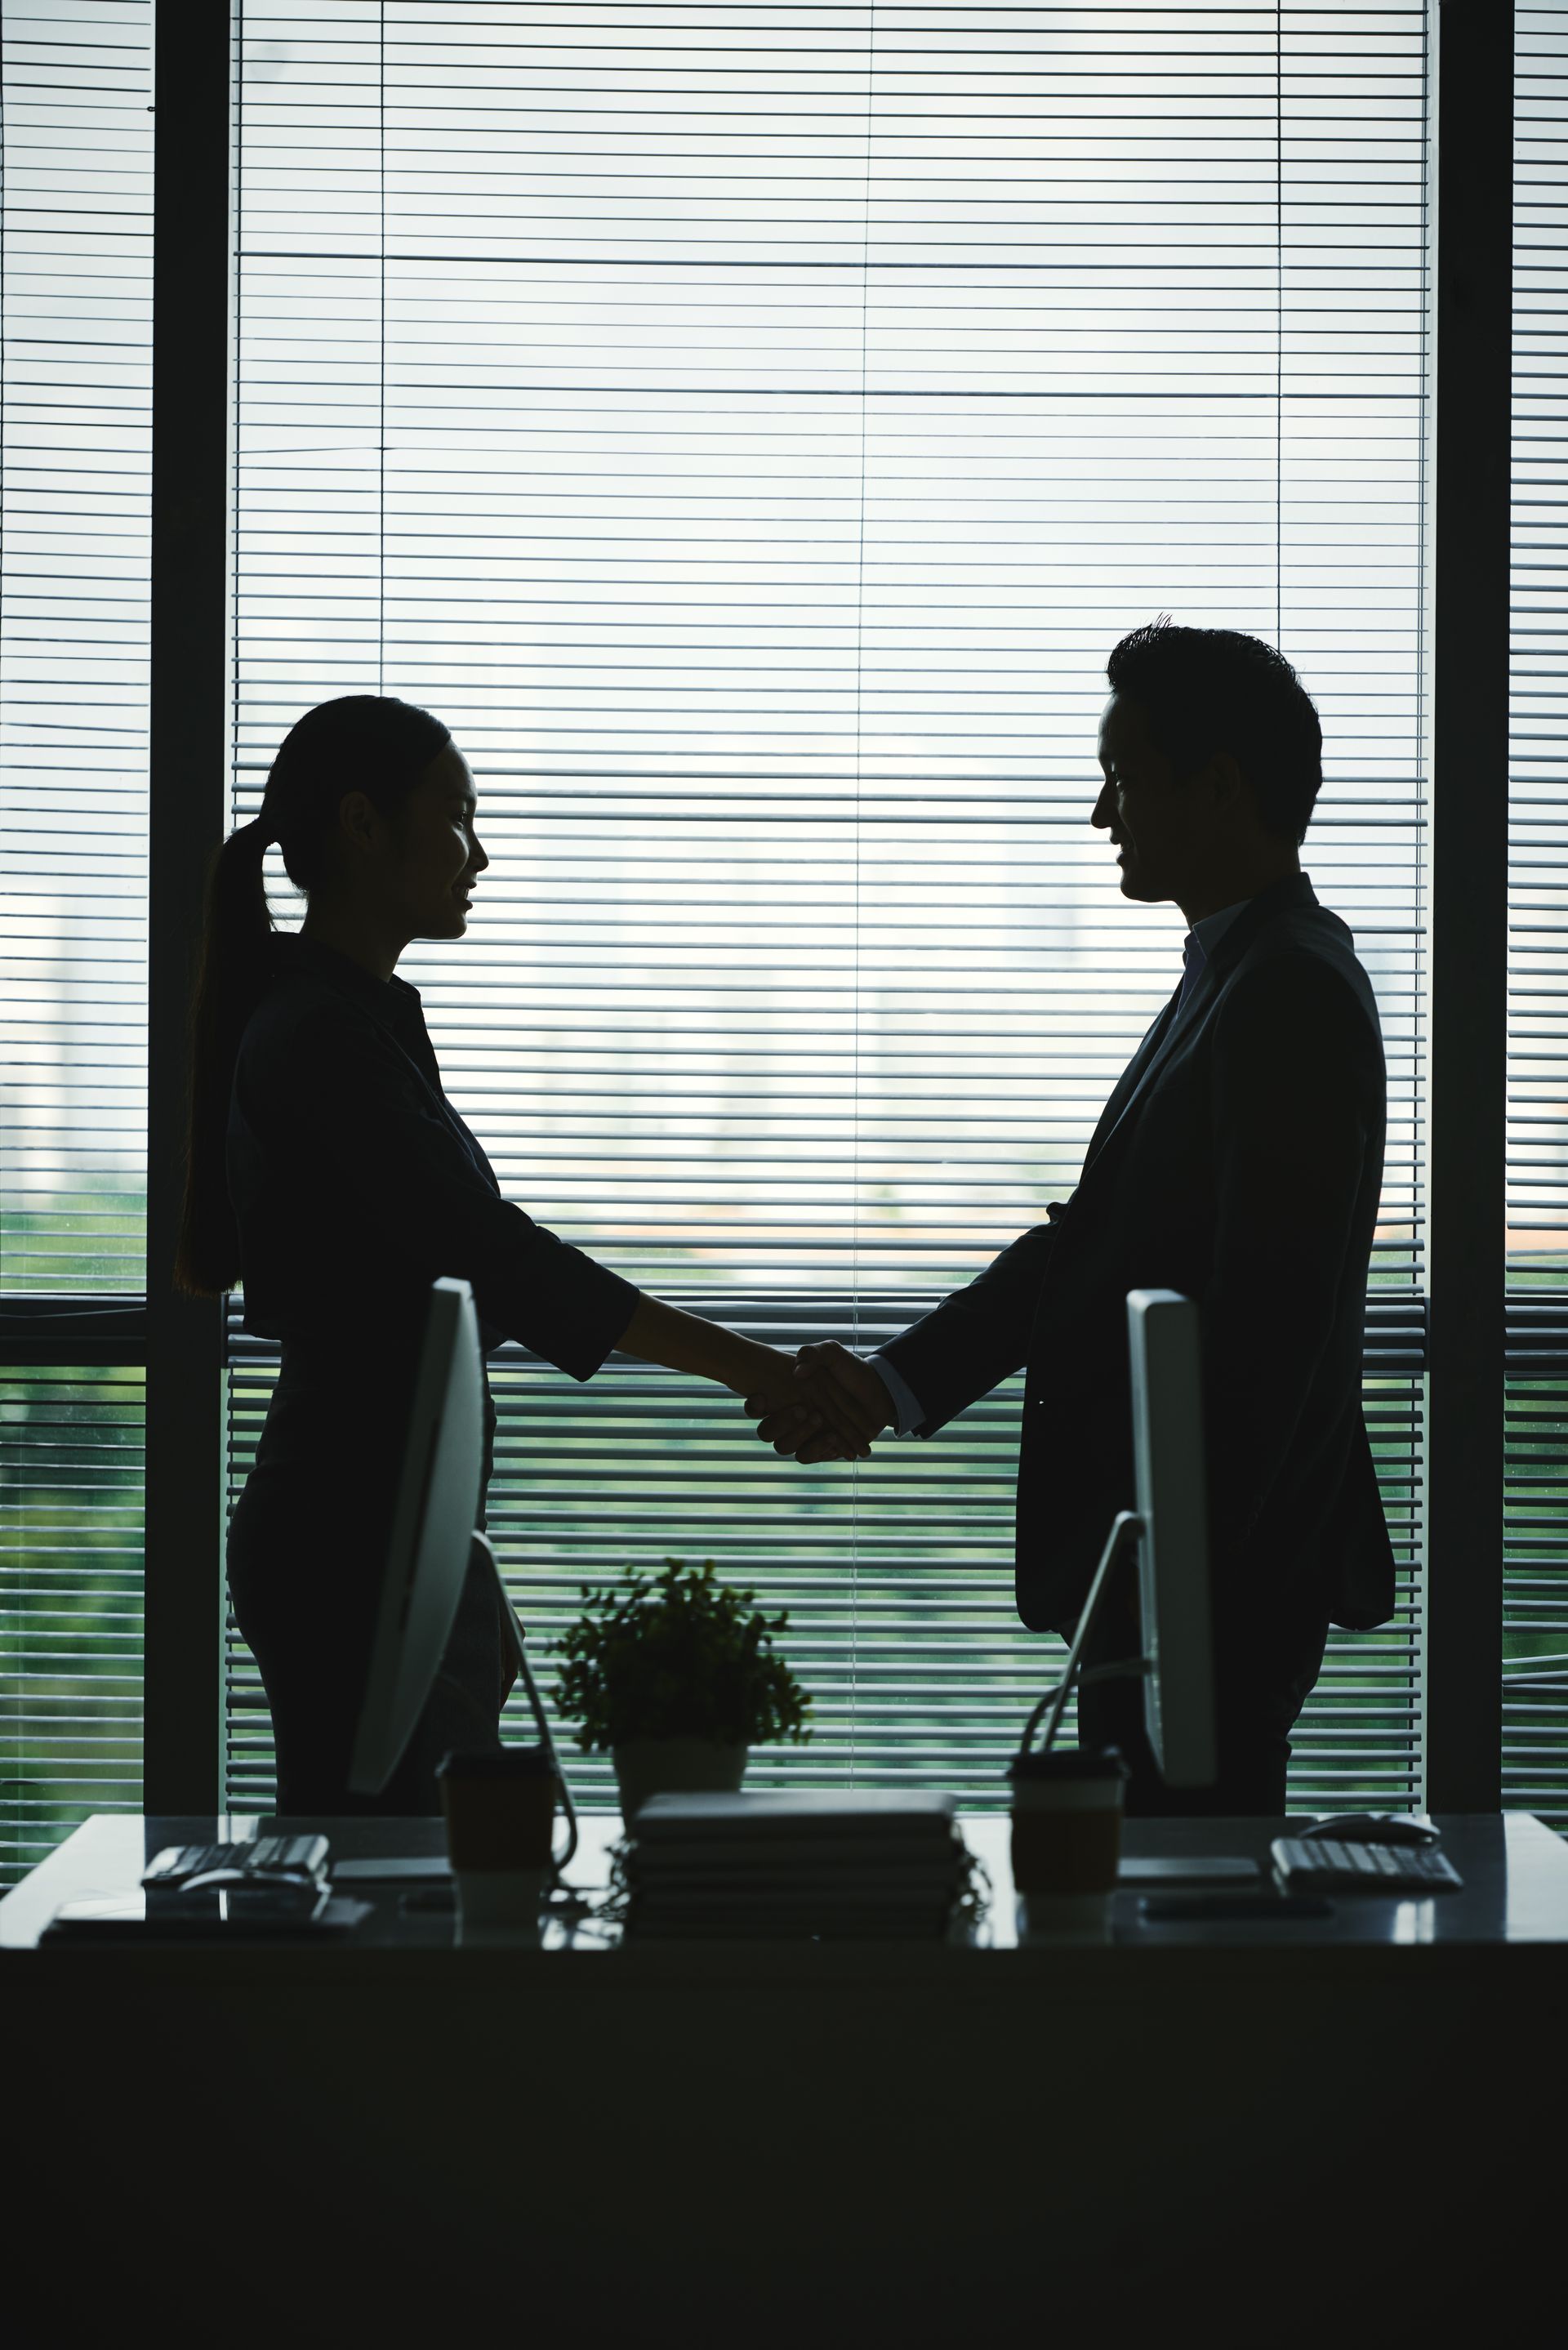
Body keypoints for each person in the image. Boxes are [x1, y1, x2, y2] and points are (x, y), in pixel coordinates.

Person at [177, 695, 866, 1815]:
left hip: (386, 1517)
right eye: (457, 816)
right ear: (363, 824)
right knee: (392, 1879)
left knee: (411, 1868)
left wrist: (467, 1564)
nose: (480, 854)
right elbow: (496, 1259)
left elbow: (452, 1281)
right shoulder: (320, 1039)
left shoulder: (351, 1025)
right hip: (355, 1533)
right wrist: (760, 1370)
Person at [751, 621, 1396, 1816]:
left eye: (1123, 778)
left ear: (1218, 786)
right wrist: (894, 1384)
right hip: (1171, 1568)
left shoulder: (1288, 989)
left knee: (1181, 1900)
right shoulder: (1234, 974)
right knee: (1152, 1895)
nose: (1104, 815)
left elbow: (1274, 1327)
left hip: (1208, 1580)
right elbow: (1093, 1242)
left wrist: (1177, 1600)